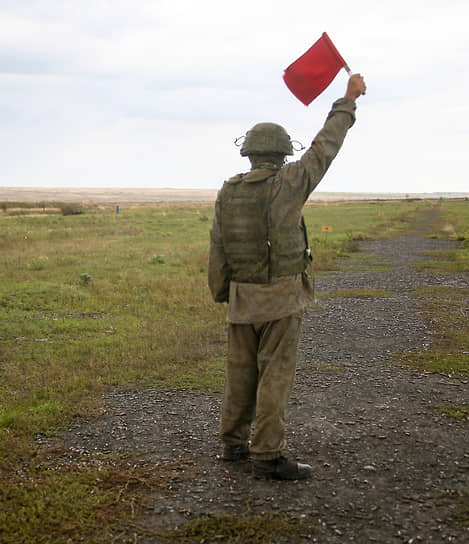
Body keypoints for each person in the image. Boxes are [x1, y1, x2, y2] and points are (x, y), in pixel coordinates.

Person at [208, 73, 366, 480]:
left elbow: (218, 248)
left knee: (239, 374)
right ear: (280, 154)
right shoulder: (291, 182)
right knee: (274, 376)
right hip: (280, 299)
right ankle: (267, 455)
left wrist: (223, 292)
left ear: (248, 154)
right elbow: (324, 148)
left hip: (242, 298)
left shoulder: (228, 191)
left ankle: (233, 444)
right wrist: (347, 101)